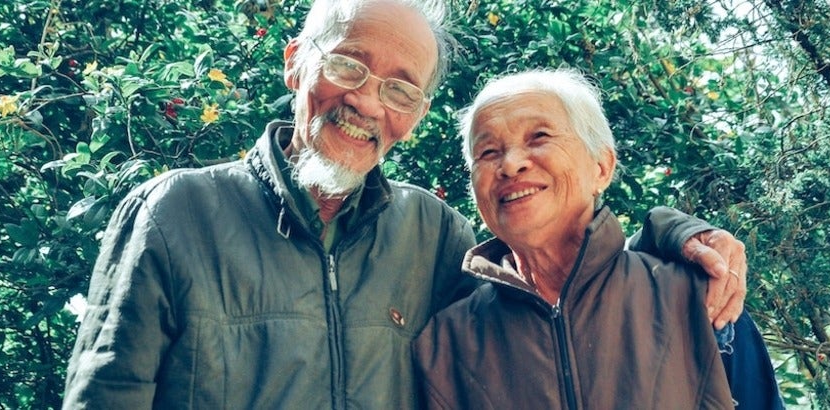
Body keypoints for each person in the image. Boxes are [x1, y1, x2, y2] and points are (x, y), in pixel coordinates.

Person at [62, 1, 750, 408]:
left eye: (400, 88)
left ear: (416, 114)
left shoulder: (432, 235)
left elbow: (563, 301)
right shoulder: (176, 212)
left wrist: (674, 234)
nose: (366, 101)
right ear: (297, 62)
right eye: (349, 65)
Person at [412, 69, 783, 409]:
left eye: (539, 137)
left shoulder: (697, 297)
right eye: (488, 152)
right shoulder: (445, 344)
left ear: (601, 167)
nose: (510, 164)